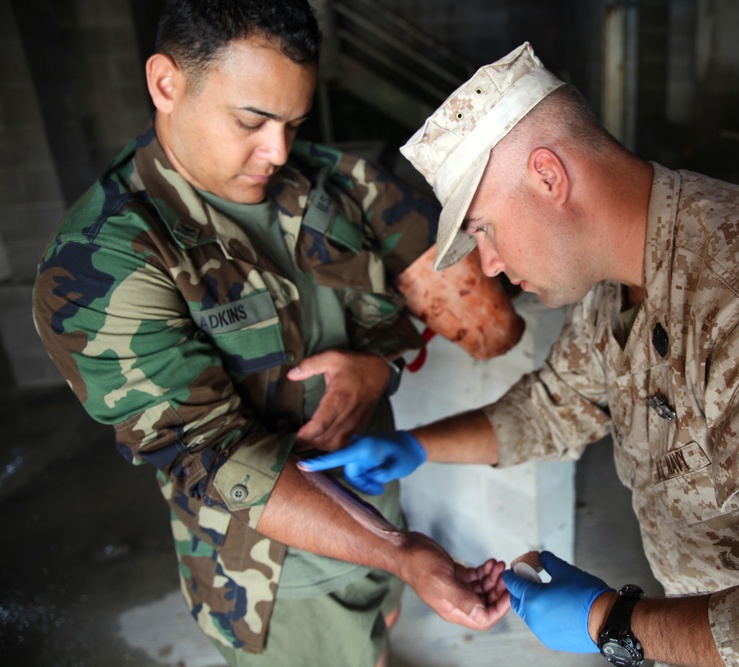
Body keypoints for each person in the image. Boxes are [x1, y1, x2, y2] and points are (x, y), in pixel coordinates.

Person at [298, 42, 739, 666]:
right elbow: (557, 404)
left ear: (547, 176)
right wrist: (416, 447)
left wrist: (612, 621)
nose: (495, 265)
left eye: (484, 228)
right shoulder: (617, 280)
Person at [32, 2, 509, 665]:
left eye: (292, 123)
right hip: (278, 582)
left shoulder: (325, 182)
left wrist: (379, 368)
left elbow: (432, 316)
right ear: (167, 84)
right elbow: (212, 452)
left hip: (382, 523)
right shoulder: (104, 260)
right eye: (251, 121)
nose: (277, 151)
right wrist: (401, 554)